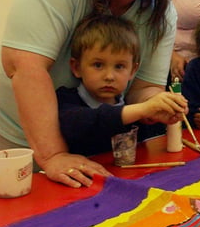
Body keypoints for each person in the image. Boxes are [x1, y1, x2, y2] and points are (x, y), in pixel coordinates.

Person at [0, 0, 182, 188]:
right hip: (18, 136)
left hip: (91, 143)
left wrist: (155, 106)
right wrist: (54, 154)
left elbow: (143, 89)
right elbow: (25, 66)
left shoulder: (162, 12)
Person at [56, 15, 187, 156]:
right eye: (98, 65)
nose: (109, 76)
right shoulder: (67, 100)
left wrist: (162, 115)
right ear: (76, 67)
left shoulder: (133, 107)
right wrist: (143, 109)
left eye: (119, 66)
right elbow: (88, 122)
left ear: (132, 71)